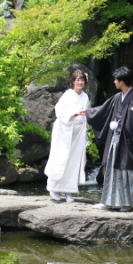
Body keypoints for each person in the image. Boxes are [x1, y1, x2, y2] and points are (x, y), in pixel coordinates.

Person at [85, 66, 133, 212]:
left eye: (116, 79)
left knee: (127, 170)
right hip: (115, 138)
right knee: (111, 169)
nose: (114, 82)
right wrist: (87, 113)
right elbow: (103, 110)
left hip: (128, 141)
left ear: (122, 81)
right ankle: (107, 200)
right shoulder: (117, 98)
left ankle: (127, 202)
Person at [44, 69, 89, 203]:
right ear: (73, 82)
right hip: (65, 130)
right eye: (77, 80)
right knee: (61, 157)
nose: (80, 82)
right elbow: (59, 111)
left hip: (78, 131)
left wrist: (84, 117)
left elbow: (86, 112)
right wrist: (73, 114)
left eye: (82, 80)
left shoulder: (85, 97)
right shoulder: (67, 95)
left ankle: (69, 191)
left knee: (74, 160)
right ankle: (54, 188)